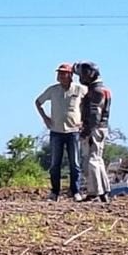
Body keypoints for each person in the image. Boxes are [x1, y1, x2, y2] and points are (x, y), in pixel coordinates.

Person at [34, 62, 85, 200]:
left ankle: (75, 192)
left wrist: (84, 121)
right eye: (59, 73)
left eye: (64, 73)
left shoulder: (80, 90)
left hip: (73, 131)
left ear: (70, 75)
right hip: (56, 131)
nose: (61, 76)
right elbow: (38, 102)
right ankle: (54, 192)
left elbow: (89, 104)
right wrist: (45, 118)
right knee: (55, 164)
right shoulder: (52, 90)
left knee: (74, 163)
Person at [74, 61, 112, 202]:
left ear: (90, 74)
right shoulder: (104, 90)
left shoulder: (95, 91)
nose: (81, 77)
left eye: (83, 74)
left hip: (94, 129)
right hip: (102, 128)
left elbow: (94, 113)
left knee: (91, 161)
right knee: (98, 159)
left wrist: (87, 130)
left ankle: (94, 192)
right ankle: (104, 191)